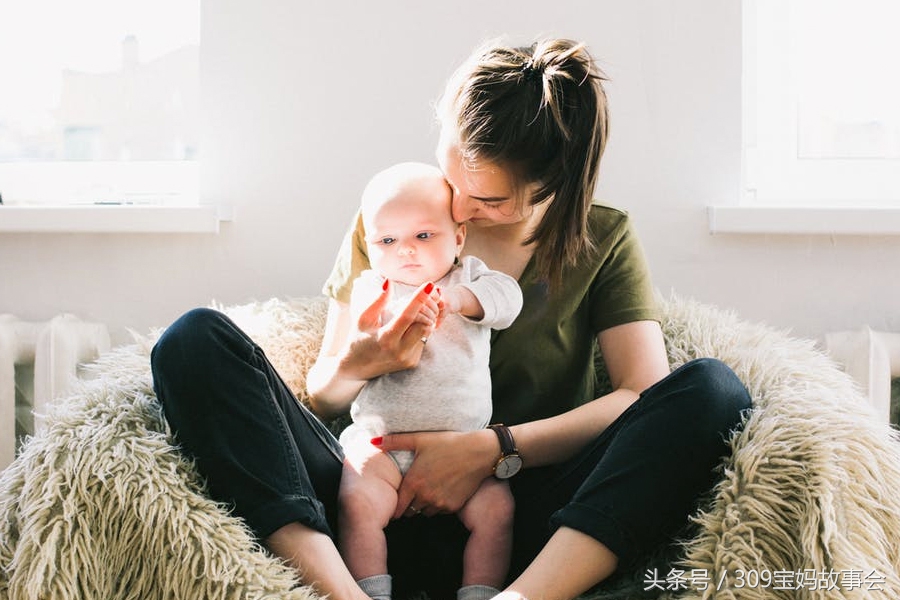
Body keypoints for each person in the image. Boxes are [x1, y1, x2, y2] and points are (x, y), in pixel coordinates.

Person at [151, 37, 752, 600]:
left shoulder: (603, 239)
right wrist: (363, 363)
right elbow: (325, 398)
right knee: (192, 341)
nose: (459, 209)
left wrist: (492, 450)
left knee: (713, 391)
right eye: (453, 175)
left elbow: (640, 393)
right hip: (366, 500)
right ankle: (336, 592)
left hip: (518, 521)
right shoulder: (397, 218)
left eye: (488, 200)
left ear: (554, 186)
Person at [336, 161, 522, 600]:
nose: (406, 251)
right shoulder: (375, 286)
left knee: (498, 512)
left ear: (457, 238)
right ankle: (369, 592)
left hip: (465, 451)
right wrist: (373, 323)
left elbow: (507, 301)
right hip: (382, 445)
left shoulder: (468, 278)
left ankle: (479, 593)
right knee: (355, 504)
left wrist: (458, 300)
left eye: (423, 235)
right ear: (370, 244)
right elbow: (361, 326)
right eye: (387, 240)